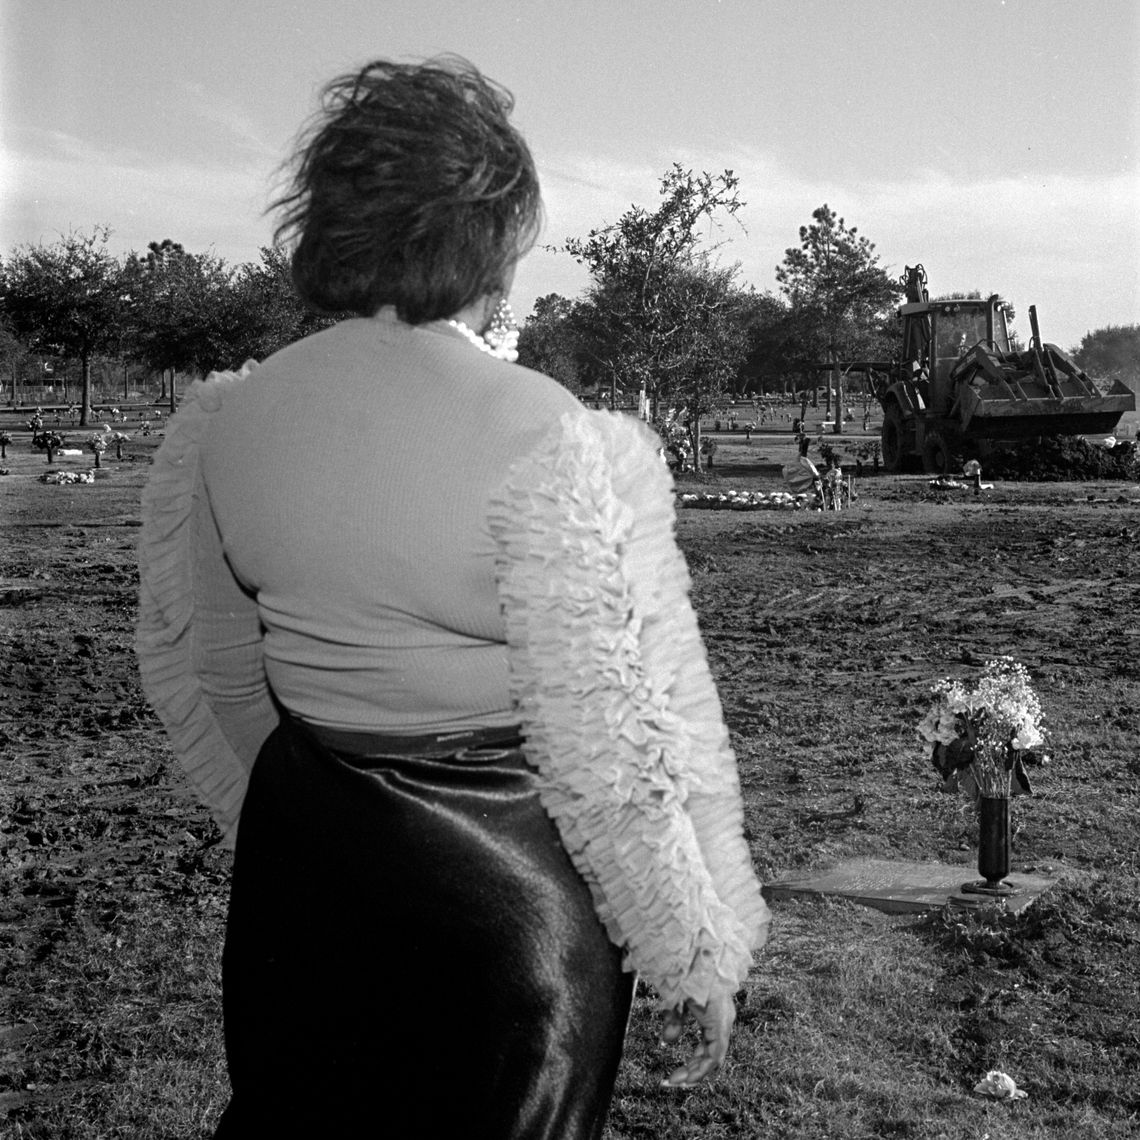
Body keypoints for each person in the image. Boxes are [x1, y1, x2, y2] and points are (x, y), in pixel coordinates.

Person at [136, 55, 768, 1139]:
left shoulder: (226, 419)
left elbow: (213, 669)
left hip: (307, 888)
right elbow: (620, 731)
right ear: (490, 236)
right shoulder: (548, 430)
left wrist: (321, 835)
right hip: (504, 904)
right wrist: (695, 952)